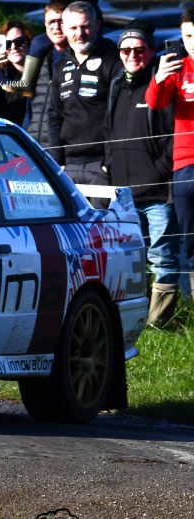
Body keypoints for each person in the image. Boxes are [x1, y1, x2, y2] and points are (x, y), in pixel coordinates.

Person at [105, 21, 179, 327]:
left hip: (158, 191)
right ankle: (133, 319)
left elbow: (177, 134)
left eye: (139, 49)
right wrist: (109, 163)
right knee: (129, 257)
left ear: (151, 51)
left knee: (162, 256)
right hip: (124, 191)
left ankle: (160, 322)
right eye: (125, 49)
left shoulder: (162, 83)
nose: (132, 55)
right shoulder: (116, 85)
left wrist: (160, 170)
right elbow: (108, 130)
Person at [146, 6, 194, 297]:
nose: (193, 42)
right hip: (184, 166)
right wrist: (160, 77)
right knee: (189, 242)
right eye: (188, 36)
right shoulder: (179, 68)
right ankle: (190, 311)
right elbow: (155, 102)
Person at [46, 1, 120, 185]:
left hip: (100, 164)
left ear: (96, 25)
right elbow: (54, 116)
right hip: (68, 165)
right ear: (64, 28)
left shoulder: (112, 59)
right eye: (73, 28)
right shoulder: (61, 65)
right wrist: (57, 161)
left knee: (103, 215)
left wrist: (109, 162)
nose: (79, 34)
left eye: (85, 27)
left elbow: (120, 115)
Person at [23, 1, 69, 148]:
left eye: (61, 21)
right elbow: (30, 108)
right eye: (51, 22)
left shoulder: (79, 61)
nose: (56, 28)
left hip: (62, 149)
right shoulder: (39, 56)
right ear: (44, 24)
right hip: (33, 146)